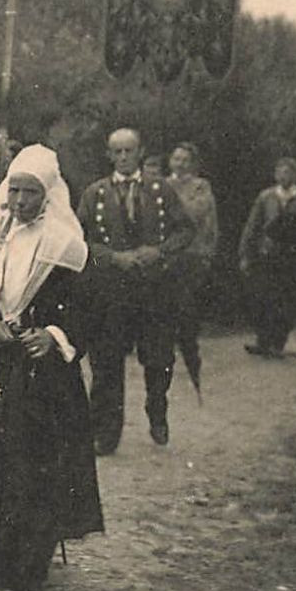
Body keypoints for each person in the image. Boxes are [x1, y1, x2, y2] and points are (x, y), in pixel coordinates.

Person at [0, 146, 104, 591]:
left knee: (31, 464)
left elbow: (89, 310)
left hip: (42, 372)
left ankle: (22, 567)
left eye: (31, 192)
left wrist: (53, 335)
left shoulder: (65, 246)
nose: (21, 201)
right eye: (15, 190)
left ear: (48, 195)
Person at [75, 127, 194, 453]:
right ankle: (106, 433)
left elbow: (185, 229)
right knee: (107, 362)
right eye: (118, 152)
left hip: (153, 290)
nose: (124, 157)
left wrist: (160, 251)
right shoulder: (95, 194)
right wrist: (112, 257)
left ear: (140, 152)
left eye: (130, 151)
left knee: (158, 358)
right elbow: (78, 239)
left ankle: (157, 410)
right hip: (111, 291)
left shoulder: (161, 190)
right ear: (109, 155)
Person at [236, 156, 296, 358]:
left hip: (292, 257)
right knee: (264, 297)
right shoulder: (266, 197)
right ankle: (263, 340)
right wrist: (245, 253)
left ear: (295, 175)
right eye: (281, 172)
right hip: (268, 255)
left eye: (289, 172)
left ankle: (277, 342)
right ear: (275, 175)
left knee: (287, 299)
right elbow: (253, 226)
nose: (284, 176)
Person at [164, 142, 219, 381]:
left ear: (193, 164)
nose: (180, 163)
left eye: (185, 160)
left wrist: (207, 252)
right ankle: (165, 356)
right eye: (176, 158)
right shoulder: (161, 184)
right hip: (166, 253)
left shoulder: (200, 186)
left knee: (186, 306)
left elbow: (199, 215)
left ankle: (191, 354)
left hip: (192, 254)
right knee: (164, 305)